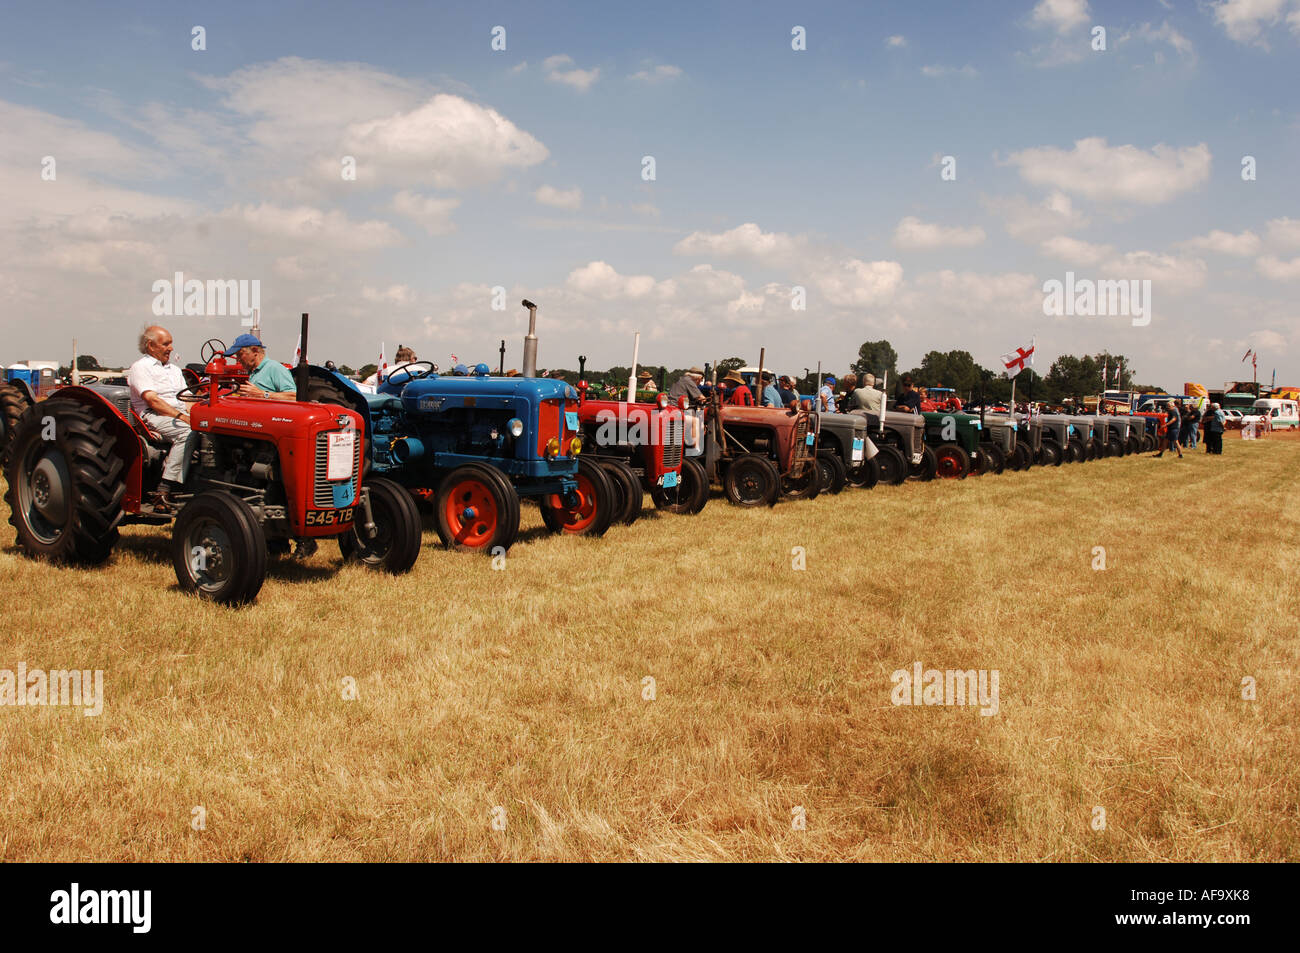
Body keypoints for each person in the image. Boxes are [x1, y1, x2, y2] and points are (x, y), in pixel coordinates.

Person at [127, 325, 192, 511]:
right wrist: (183, 417)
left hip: (177, 414)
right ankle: (164, 490)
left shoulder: (174, 370)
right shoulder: (141, 367)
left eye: (171, 343)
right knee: (187, 431)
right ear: (151, 346)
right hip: (153, 416)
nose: (171, 348)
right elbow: (153, 401)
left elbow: (185, 399)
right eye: (166, 344)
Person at [225, 333, 296, 399]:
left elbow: (294, 396)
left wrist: (264, 394)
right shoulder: (254, 372)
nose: (238, 359)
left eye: (240, 354)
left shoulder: (274, 368)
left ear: (254, 350)